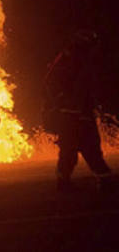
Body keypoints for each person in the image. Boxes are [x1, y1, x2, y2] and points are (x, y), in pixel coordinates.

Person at [44, 30, 112, 192]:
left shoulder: (81, 61)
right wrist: (62, 102)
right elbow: (53, 83)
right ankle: (64, 182)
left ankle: (103, 179)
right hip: (70, 115)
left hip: (81, 113)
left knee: (89, 148)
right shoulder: (70, 60)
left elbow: (88, 86)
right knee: (71, 150)